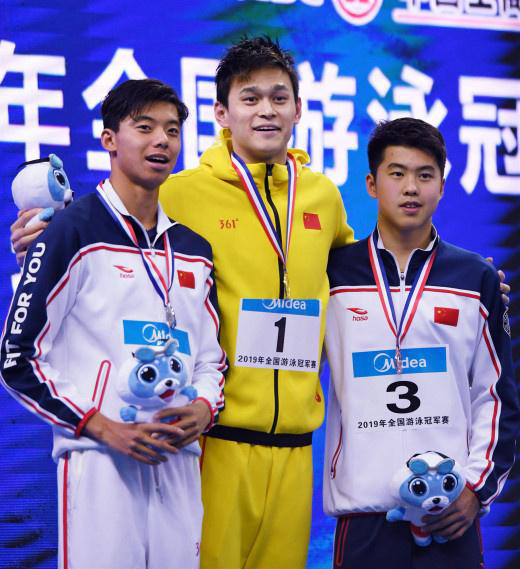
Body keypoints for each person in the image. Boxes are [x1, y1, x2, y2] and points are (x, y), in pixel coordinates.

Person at [1, 78, 226, 569]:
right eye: (144, 127)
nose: (162, 140)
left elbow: (211, 359)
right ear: (109, 139)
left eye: (172, 130)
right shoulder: (71, 231)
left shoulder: (194, 249)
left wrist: (203, 408)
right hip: (100, 458)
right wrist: (100, 427)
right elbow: (16, 358)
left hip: (177, 460)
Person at [324, 117, 519, 569]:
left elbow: (496, 397)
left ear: (442, 187)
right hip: (364, 515)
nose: (411, 188)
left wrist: (475, 490)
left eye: (425, 175)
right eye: (397, 173)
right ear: (372, 184)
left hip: (449, 510)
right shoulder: (332, 274)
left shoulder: (475, 278)